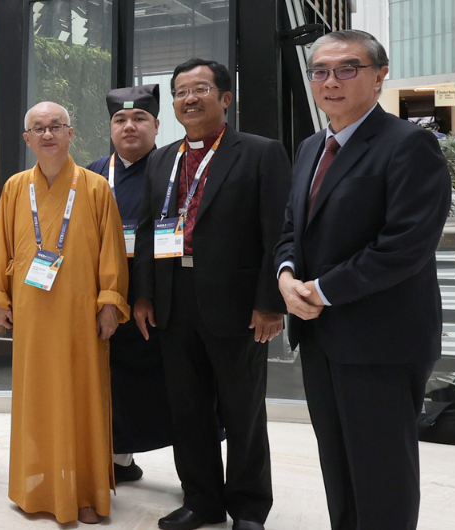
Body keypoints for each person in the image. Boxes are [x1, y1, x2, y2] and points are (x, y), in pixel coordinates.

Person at [275, 30, 449, 530]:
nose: (331, 81)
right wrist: (287, 276)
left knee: (382, 473)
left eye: (347, 69)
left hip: (381, 339)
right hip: (320, 336)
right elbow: (292, 230)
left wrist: (322, 291)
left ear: (379, 75)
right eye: (320, 71)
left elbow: (404, 246)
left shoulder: (408, 143)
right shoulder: (311, 146)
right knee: (340, 468)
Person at [131, 59, 290, 530]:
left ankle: (248, 507)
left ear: (225, 98)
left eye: (201, 88)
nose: (189, 98)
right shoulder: (162, 159)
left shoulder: (261, 153)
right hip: (173, 301)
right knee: (187, 409)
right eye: (180, 91)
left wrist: (270, 302)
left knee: (243, 412)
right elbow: (145, 233)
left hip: (239, 306)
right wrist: (143, 296)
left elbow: (278, 233)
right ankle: (201, 501)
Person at [0, 101, 129, 524]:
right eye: (38, 128)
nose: (47, 134)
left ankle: (84, 491)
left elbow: (111, 253)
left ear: (71, 133)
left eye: (55, 126)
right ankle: (40, 487)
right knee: (37, 401)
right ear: (27, 139)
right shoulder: (14, 188)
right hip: (32, 313)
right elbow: (2, 248)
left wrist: (108, 303)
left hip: (81, 314)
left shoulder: (97, 187)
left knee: (83, 399)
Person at [82, 85, 173, 483]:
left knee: (158, 386)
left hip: (158, 297)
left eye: (139, 119)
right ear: (111, 128)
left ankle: (193, 471)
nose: (129, 126)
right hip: (102, 297)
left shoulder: (172, 167)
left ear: (156, 124)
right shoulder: (93, 173)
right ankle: (119, 459)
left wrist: (147, 293)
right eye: (120, 120)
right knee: (109, 382)